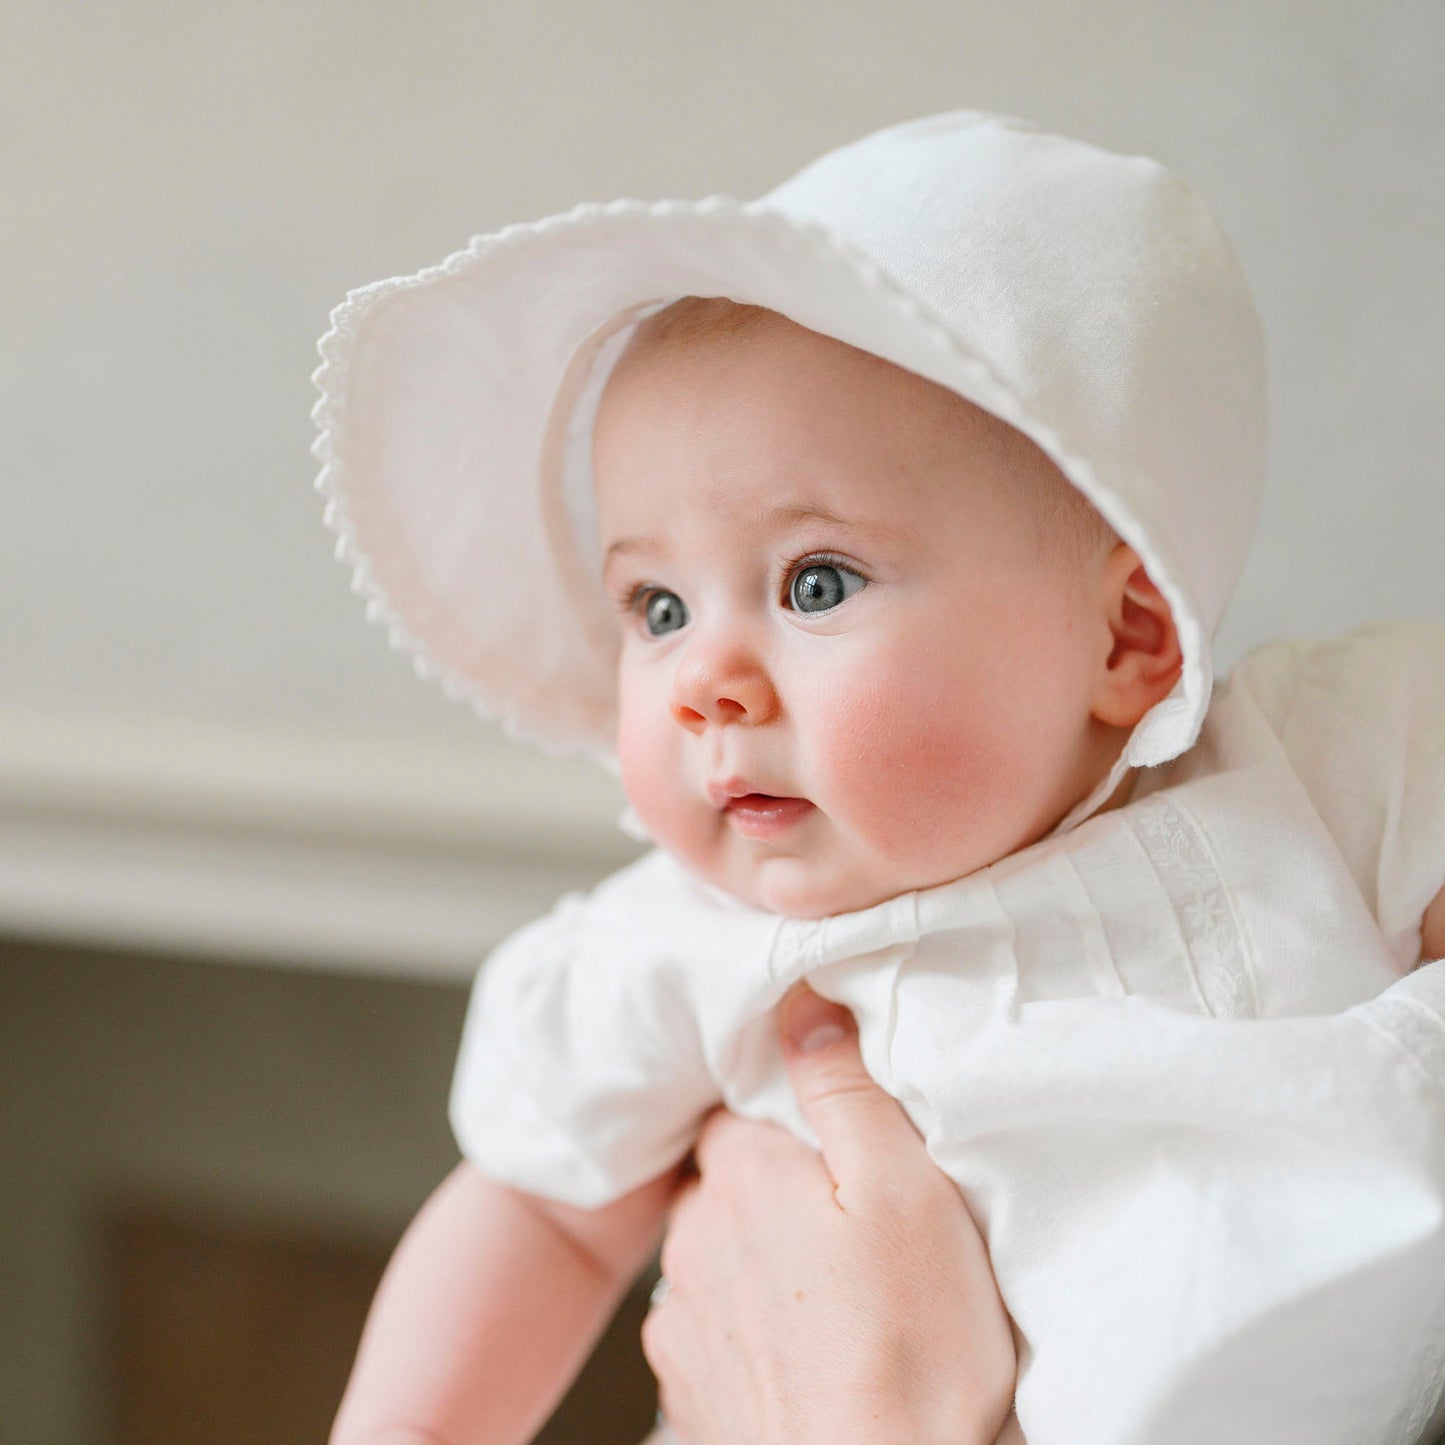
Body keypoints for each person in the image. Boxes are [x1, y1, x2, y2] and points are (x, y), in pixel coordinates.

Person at [313, 112, 1445, 1444]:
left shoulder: (1310, 763)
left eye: (815, 581)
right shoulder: (692, 949)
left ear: (1128, 637)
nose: (701, 681)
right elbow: (541, 1212)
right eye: (656, 605)